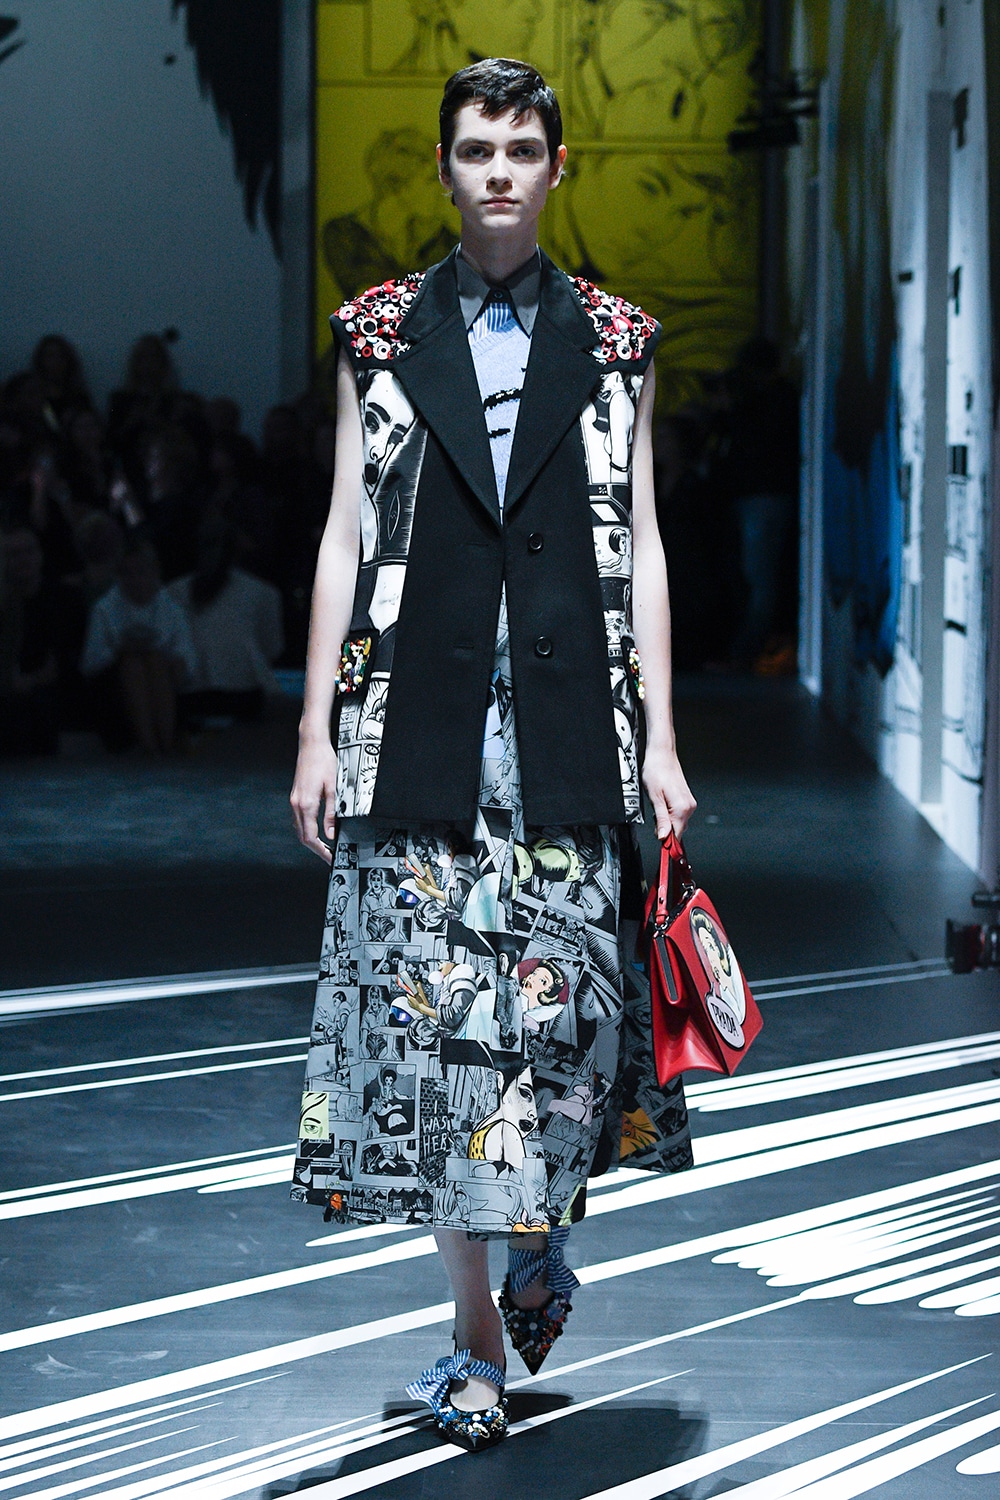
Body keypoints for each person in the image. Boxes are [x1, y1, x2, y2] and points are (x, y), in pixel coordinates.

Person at [289, 58, 696, 1452]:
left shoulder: (620, 341)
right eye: (477, 149)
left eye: (523, 147)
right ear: (447, 167)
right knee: (438, 1047)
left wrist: (663, 739)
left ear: (558, 166)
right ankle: (472, 1346)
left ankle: (537, 1233)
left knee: (566, 1031)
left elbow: (641, 540)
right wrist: (315, 729)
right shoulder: (378, 331)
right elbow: (345, 530)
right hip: (416, 728)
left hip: (570, 728)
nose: (501, 170)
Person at [80, 537, 196, 753]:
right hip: (114, 688)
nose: (134, 579)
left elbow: (187, 658)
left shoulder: (172, 609)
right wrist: (119, 650)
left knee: (154, 661)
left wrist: (174, 661)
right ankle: (152, 746)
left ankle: (163, 742)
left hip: (164, 677)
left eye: (141, 571)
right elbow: (89, 663)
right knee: (133, 664)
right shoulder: (104, 609)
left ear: (154, 572)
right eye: (127, 573)